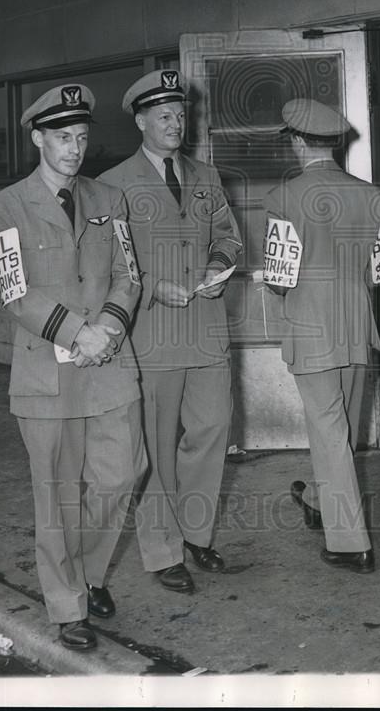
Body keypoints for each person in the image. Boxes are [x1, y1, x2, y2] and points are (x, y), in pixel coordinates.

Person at [0, 84, 146, 651]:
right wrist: (79, 330)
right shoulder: (5, 206)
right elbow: (14, 292)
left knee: (121, 474)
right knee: (55, 492)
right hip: (46, 372)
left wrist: (109, 327)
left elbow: (129, 275)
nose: (74, 149)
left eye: (80, 138)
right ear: (38, 138)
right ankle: (67, 604)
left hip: (107, 362)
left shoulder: (109, 199)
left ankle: (91, 573)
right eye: (62, 138)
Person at [99, 70, 242, 594]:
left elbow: (229, 236)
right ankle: (162, 552)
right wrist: (154, 286)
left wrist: (218, 265)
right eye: (164, 116)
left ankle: (196, 533)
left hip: (206, 330)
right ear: (140, 121)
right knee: (157, 447)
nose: (175, 123)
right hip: (153, 336)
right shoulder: (113, 184)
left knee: (211, 431)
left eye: (180, 114)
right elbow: (114, 258)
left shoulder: (205, 175)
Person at [264, 99, 380, 574]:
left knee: (328, 430)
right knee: (344, 428)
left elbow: (279, 277)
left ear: (298, 142)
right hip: (357, 321)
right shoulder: (372, 195)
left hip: (311, 325)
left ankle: (350, 544)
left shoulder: (285, 196)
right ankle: (318, 498)